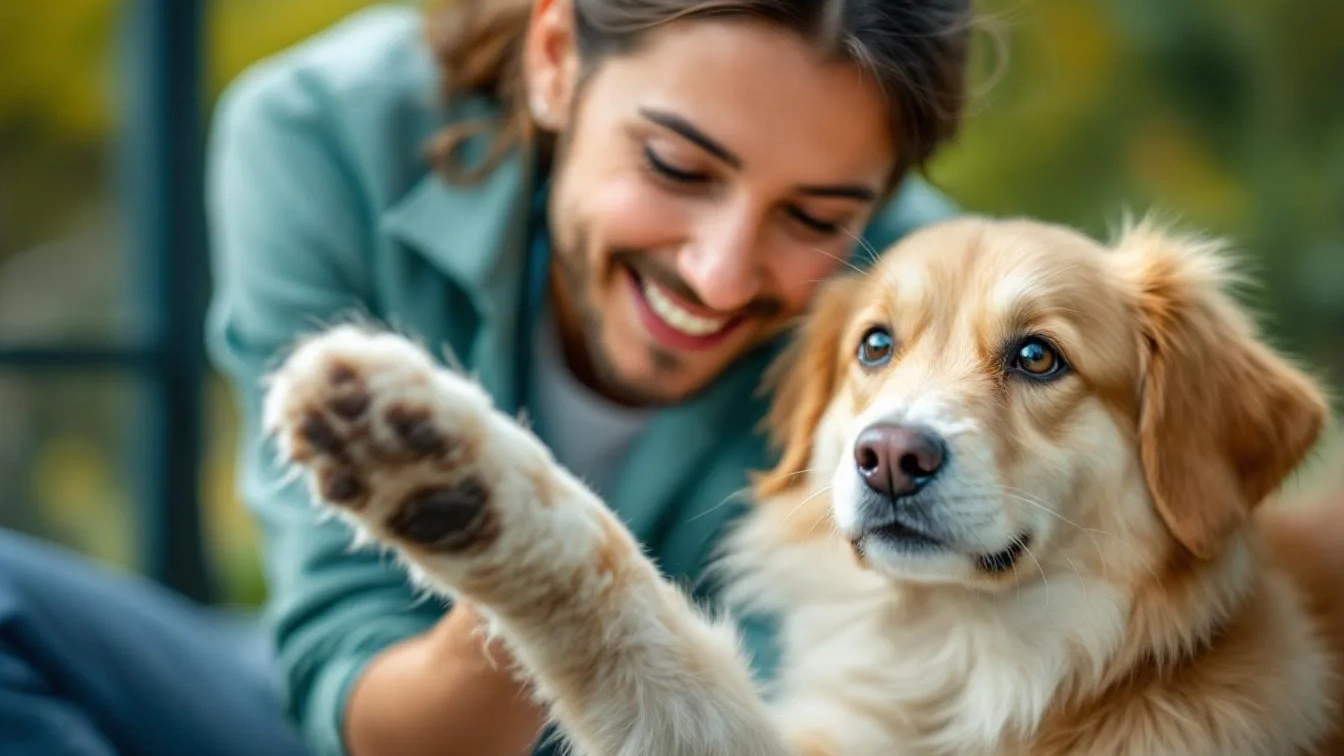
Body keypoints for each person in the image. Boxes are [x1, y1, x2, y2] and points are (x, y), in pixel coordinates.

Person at [0, 1, 971, 755]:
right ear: (554, 60)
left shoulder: (919, 303)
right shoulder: (325, 135)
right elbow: (365, 694)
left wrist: (544, 564)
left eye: (814, 220)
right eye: (676, 166)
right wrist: (533, 575)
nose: (718, 274)